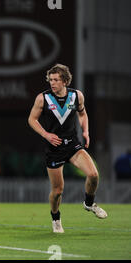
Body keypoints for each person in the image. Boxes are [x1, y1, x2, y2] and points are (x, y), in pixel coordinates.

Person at [28, 63, 107, 233]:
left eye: (56, 80)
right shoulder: (43, 98)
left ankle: (88, 203)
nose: (52, 83)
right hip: (54, 148)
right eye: (51, 80)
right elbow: (32, 120)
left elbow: (82, 113)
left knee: (93, 175)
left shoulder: (77, 96)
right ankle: (56, 218)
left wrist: (85, 131)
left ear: (65, 81)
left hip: (72, 144)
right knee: (57, 191)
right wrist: (46, 134)